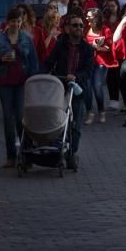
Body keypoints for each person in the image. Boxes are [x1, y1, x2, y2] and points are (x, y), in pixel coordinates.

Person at [0, 7, 38, 167]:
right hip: (5, 81)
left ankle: (27, 154)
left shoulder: (27, 38)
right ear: (8, 22)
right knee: (8, 119)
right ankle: (11, 156)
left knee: (21, 118)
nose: (16, 24)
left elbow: (33, 63)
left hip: (21, 81)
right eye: (13, 21)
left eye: (18, 21)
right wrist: (1, 59)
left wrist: (31, 80)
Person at [43, 15, 94, 162]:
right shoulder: (60, 45)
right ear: (67, 28)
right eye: (75, 25)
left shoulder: (87, 49)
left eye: (80, 26)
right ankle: (55, 148)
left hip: (77, 88)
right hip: (59, 86)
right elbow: (49, 61)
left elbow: (88, 69)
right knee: (56, 119)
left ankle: (72, 153)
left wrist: (76, 76)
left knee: (76, 123)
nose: (78, 28)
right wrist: (41, 73)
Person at [84, 8, 117, 124]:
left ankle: (101, 111)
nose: (87, 18)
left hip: (100, 62)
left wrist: (98, 48)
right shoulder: (85, 29)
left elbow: (109, 48)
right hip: (87, 63)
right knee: (87, 87)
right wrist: (89, 46)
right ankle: (90, 112)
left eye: (89, 16)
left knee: (97, 86)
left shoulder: (105, 30)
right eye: (87, 16)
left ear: (96, 18)